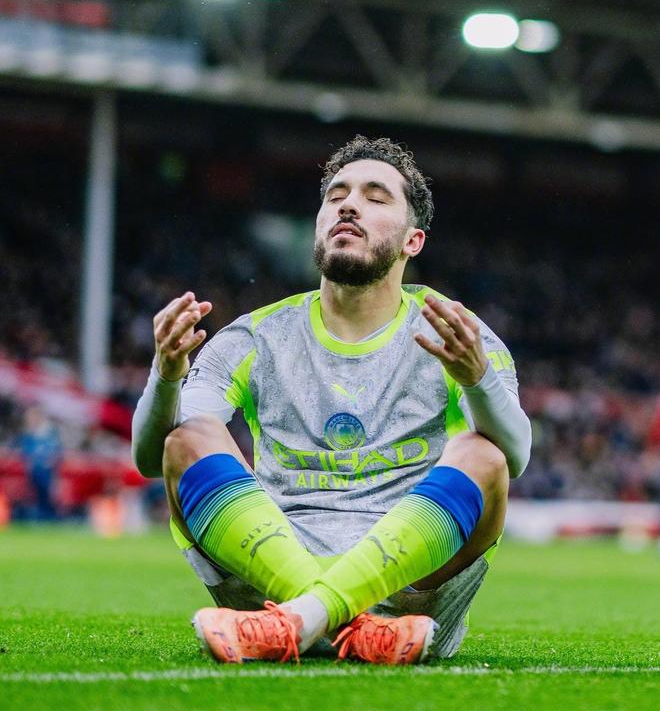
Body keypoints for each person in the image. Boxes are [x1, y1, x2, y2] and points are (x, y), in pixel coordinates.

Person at [132, 135, 531, 665]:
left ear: (413, 241)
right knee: (188, 437)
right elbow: (152, 458)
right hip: (270, 577)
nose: (348, 205)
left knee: (484, 455)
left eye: (375, 197)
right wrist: (165, 376)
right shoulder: (255, 337)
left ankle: (301, 621)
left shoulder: (454, 332)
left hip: (407, 586)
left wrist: (478, 378)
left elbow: (515, 458)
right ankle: (341, 623)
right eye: (336, 195)